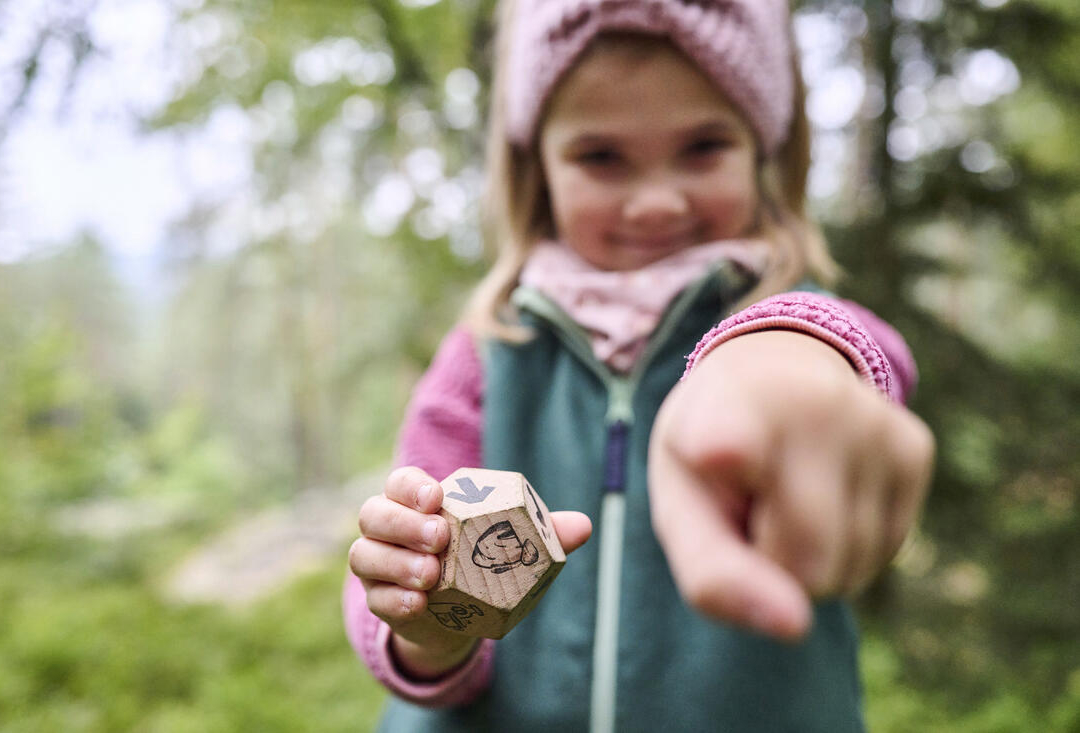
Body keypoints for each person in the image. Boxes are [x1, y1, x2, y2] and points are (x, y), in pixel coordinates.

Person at [343, 0, 935, 730]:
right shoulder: (487, 354)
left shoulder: (800, 320)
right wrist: (427, 625)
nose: (656, 203)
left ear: (763, 151)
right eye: (601, 157)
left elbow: (851, 351)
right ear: (537, 169)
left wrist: (777, 356)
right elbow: (411, 549)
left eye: (703, 147)